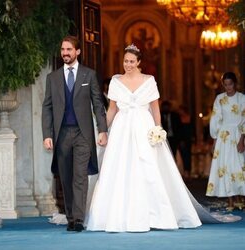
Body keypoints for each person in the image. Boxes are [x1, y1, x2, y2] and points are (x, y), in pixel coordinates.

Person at [85, 44, 232, 233]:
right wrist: (103, 130)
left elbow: (155, 108)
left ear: (139, 62)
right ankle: (116, 216)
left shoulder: (149, 80)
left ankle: (155, 215)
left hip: (144, 127)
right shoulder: (116, 81)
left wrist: (158, 129)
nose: (128, 64)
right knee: (120, 167)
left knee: (148, 167)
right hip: (121, 129)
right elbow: (112, 109)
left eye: (131, 61)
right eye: (125, 61)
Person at [42, 35, 107, 232]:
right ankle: (70, 216)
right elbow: (47, 107)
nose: (65, 53)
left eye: (69, 49)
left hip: (82, 134)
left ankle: (78, 219)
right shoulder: (52, 78)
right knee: (66, 177)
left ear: (77, 52)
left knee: (80, 176)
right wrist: (47, 134)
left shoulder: (89, 75)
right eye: (63, 50)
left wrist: (102, 130)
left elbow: (98, 104)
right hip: (61, 134)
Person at [206, 71, 245, 211]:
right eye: (225, 84)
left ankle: (240, 197)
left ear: (235, 83)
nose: (228, 87)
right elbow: (215, 119)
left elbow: (244, 120)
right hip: (223, 137)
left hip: (237, 134)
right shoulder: (219, 99)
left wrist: (242, 139)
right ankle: (230, 200)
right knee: (226, 167)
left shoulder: (242, 98)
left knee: (239, 166)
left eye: (231, 84)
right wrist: (214, 141)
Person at [178, 105, 192, 179]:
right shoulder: (178, 119)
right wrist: (180, 140)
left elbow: (191, 129)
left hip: (188, 139)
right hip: (182, 140)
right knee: (183, 156)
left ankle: (188, 172)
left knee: (188, 156)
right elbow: (179, 131)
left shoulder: (189, 117)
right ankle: (185, 171)